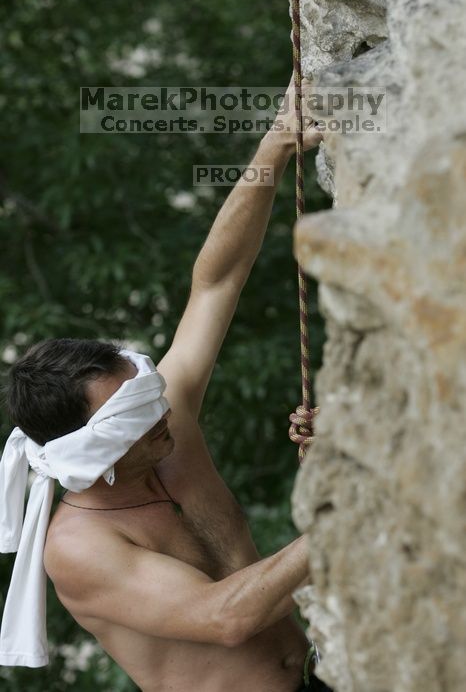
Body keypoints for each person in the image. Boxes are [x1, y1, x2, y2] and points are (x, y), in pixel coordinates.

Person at [1, 81, 332, 692]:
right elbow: (227, 616)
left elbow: (217, 282)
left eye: (148, 396)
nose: (162, 417)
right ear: (93, 453)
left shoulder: (162, 421)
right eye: (135, 418)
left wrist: (275, 146)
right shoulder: (80, 548)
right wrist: (356, 512)